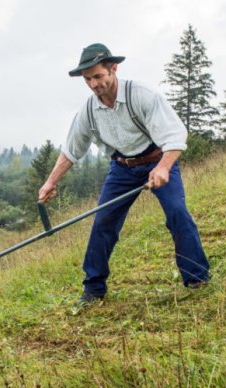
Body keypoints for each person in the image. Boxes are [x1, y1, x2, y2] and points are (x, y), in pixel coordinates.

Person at [38, 43, 211, 305]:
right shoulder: (88, 110)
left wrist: (163, 167)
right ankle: (94, 289)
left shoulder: (141, 95)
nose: (94, 84)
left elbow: (175, 134)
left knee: (177, 213)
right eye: (88, 80)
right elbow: (72, 150)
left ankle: (196, 278)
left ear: (113, 69)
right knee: (103, 221)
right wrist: (50, 182)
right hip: (122, 168)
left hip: (158, 159)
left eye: (98, 76)